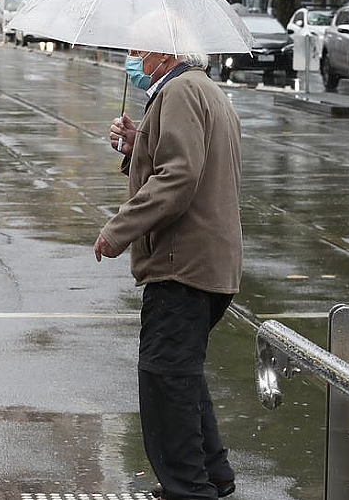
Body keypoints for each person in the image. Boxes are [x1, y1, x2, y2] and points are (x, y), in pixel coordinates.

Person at [94, 49, 243, 500]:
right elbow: (185, 159)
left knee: (164, 379)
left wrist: (118, 230)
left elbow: (178, 178)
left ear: (166, 50)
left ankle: (188, 489)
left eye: (139, 50)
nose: (133, 59)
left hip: (183, 265)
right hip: (207, 262)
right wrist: (138, 142)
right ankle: (212, 474)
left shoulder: (179, 92)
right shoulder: (199, 89)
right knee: (182, 374)